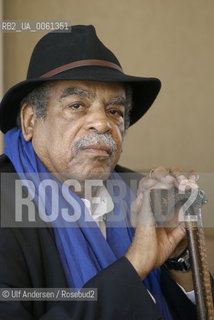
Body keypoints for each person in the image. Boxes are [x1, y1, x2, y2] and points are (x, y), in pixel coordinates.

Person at [0, 25, 211, 320]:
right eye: (77, 105)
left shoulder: (140, 192)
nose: (102, 124)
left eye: (114, 111)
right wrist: (135, 264)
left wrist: (179, 258)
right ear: (30, 121)